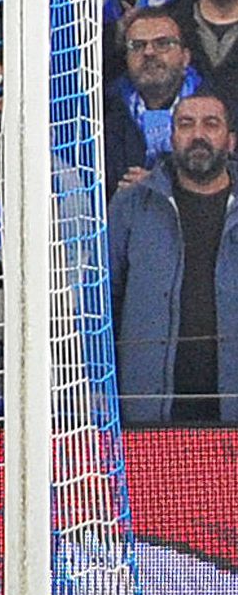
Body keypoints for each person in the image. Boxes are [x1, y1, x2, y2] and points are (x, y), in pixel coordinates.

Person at [108, 91, 238, 423]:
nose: (198, 135)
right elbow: (103, 302)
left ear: (231, 140)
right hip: (150, 413)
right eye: (186, 124)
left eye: (211, 124)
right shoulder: (132, 206)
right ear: (171, 138)